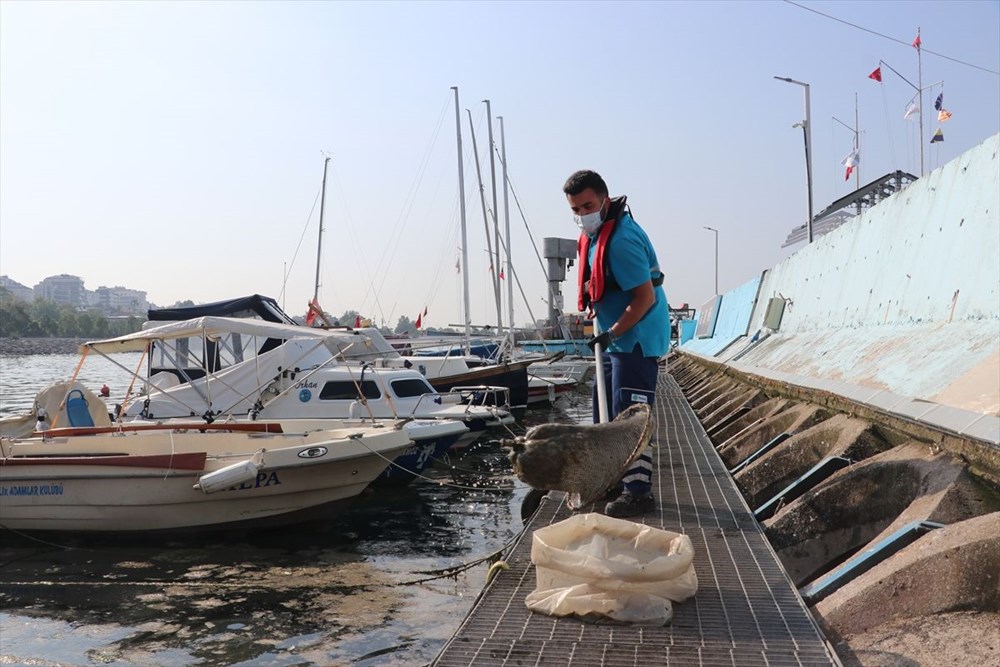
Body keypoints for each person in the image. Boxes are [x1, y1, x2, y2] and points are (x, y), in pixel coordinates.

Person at [564, 169, 670, 518]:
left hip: (634, 340)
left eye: (588, 206)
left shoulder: (622, 240)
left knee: (629, 420)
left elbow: (644, 298)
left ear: (604, 200)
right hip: (612, 341)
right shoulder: (594, 237)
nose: (582, 215)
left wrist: (614, 332)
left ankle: (638, 492)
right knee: (603, 416)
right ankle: (610, 479)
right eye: (576, 209)